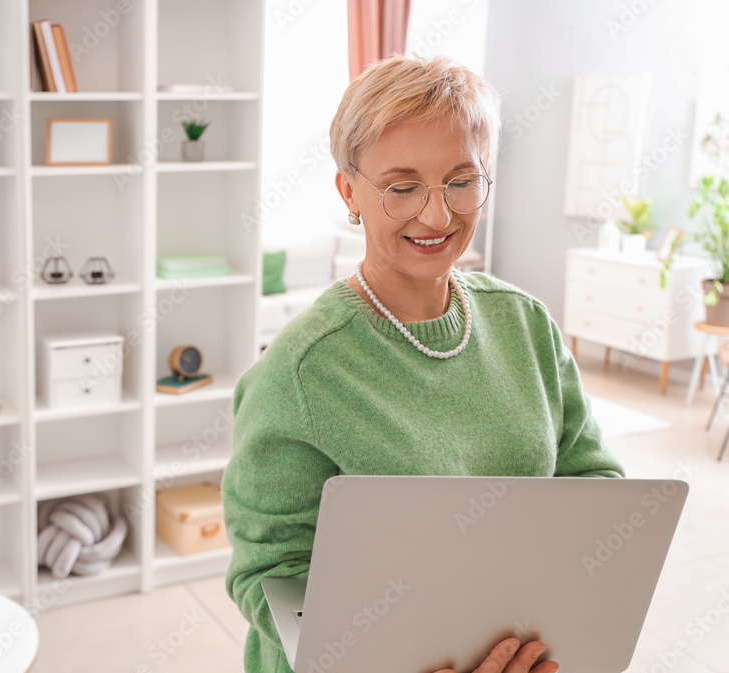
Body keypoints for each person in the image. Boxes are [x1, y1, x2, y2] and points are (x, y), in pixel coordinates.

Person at [222, 54, 625, 673]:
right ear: (349, 191)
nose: (437, 217)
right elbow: (270, 576)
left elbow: (596, 491)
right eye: (402, 187)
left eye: (461, 181)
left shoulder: (526, 325)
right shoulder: (300, 372)